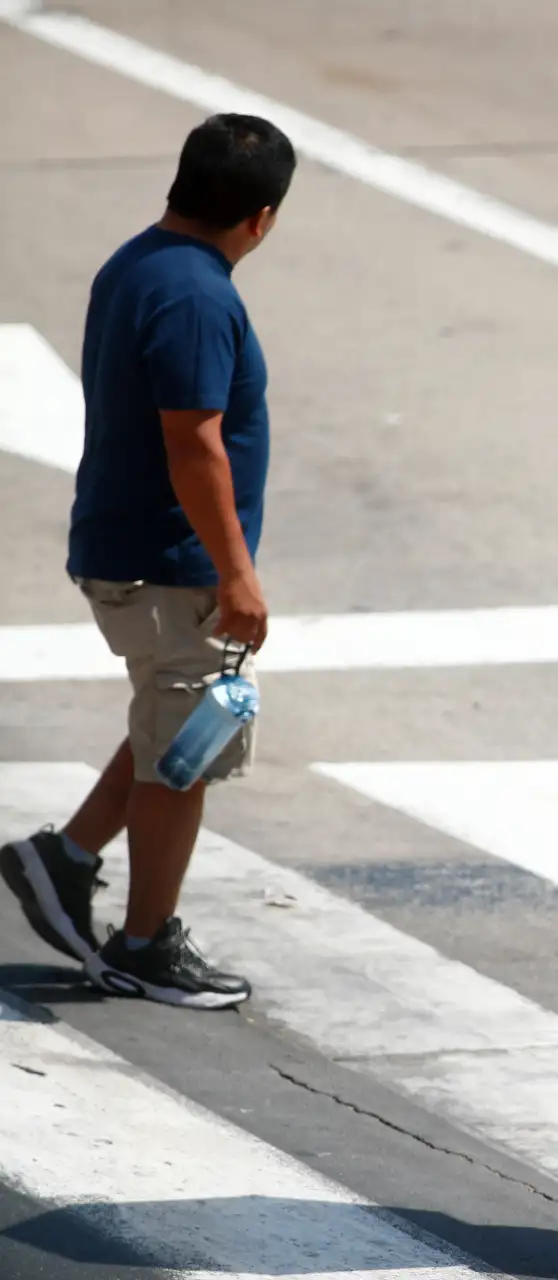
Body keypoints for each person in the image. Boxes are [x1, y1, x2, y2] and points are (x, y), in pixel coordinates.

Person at [0, 114, 295, 1010]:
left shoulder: (140, 261)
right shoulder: (197, 297)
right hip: (169, 564)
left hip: (135, 547)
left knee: (176, 725)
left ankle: (64, 858)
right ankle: (141, 946)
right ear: (261, 219)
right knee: (184, 758)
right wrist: (235, 573)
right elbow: (193, 444)